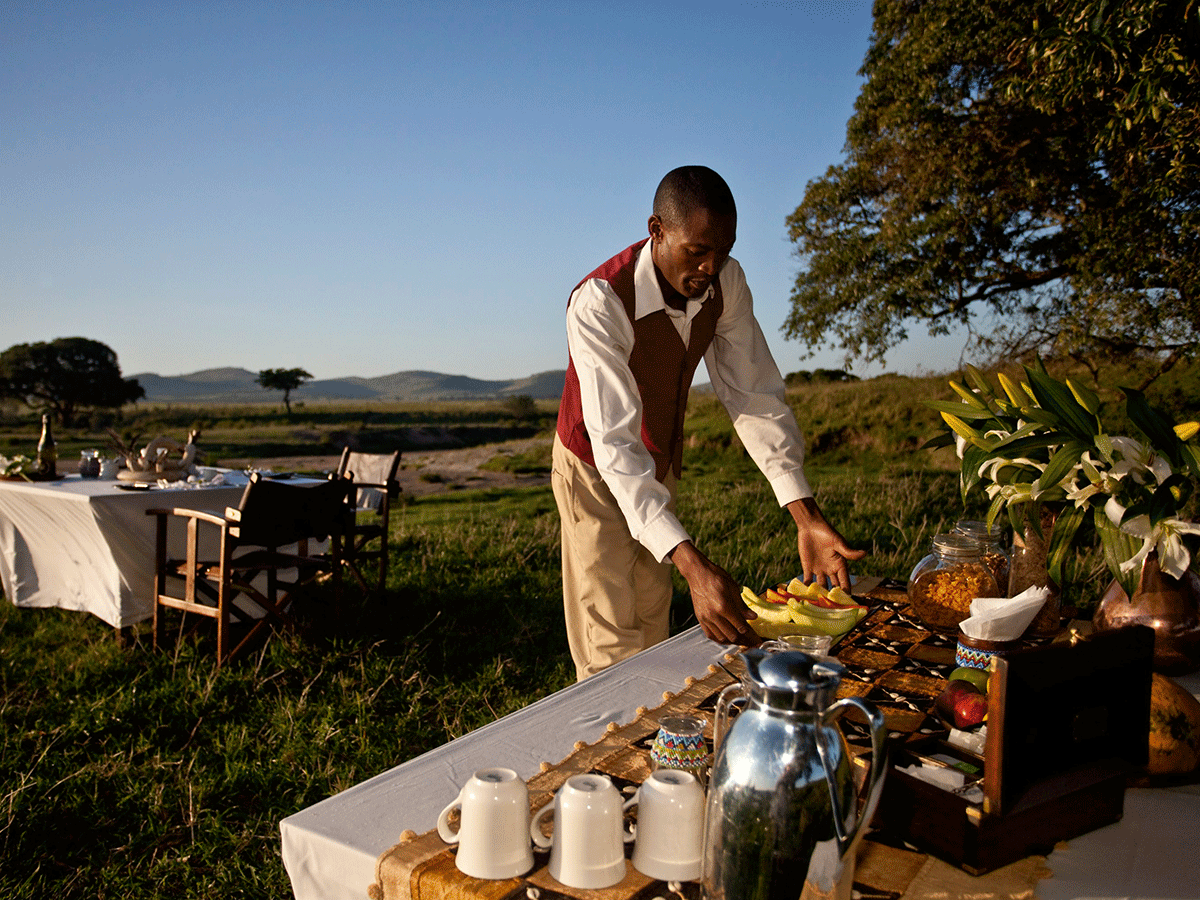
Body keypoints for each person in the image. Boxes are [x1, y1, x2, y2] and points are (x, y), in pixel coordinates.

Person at [552, 165, 865, 680]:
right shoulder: (600, 300)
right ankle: (610, 750)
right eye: (696, 251)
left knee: (652, 616)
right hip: (592, 463)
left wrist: (803, 513)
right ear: (657, 231)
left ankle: (657, 743)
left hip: (656, 459)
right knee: (609, 636)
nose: (709, 267)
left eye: (722, 251)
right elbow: (614, 444)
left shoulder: (727, 283)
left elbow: (754, 395)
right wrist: (694, 566)